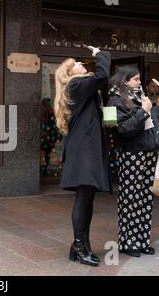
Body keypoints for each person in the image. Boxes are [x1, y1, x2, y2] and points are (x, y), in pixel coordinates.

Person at [107, 67, 159, 257]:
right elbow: (122, 130)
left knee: (145, 198)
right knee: (129, 199)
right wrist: (144, 111)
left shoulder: (141, 97)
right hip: (130, 155)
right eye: (135, 79)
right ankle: (127, 242)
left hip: (148, 153)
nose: (139, 82)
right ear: (124, 81)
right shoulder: (113, 101)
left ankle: (142, 240)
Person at [54, 46, 111, 267]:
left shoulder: (79, 86)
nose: (81, 63)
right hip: (83, 150)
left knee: (87, 197)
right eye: (76, 63)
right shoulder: (76, 84)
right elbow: (103, 75)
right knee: (83, 197)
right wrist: (99, 54)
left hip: (86, 148)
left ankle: (80, 246)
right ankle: (79, 246)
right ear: (70, 73)